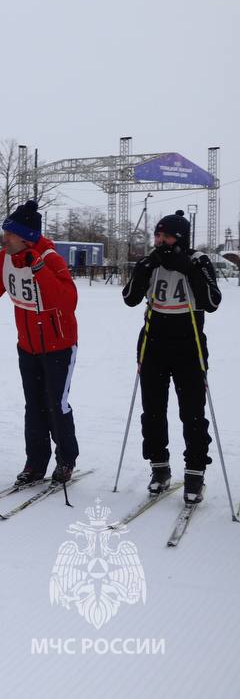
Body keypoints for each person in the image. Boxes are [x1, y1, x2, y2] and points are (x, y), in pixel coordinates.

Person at [0, 199, 79, 486]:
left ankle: (66, 459)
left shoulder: (50, 257)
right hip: (27, 346)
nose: (4, 239)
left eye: (10, 234)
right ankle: (35, 462)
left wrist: (39, 269)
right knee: (34, 406)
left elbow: (67, 302)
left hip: (58, 345)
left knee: (56, 404)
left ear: (27, 237)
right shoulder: (7, 257)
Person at [121, 210, 222, 505]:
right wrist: (145, 268)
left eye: (167, 236)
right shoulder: (150, 261)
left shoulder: (198, 260)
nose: (160, 241)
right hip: (153, 344)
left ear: (181, 239)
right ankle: (159, 468)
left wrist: (188, 270)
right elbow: (129, 298)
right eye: (158, 235)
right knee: (152, 411)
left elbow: (211, 302)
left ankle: (195, 472)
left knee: (192, 412)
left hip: (189, 345)